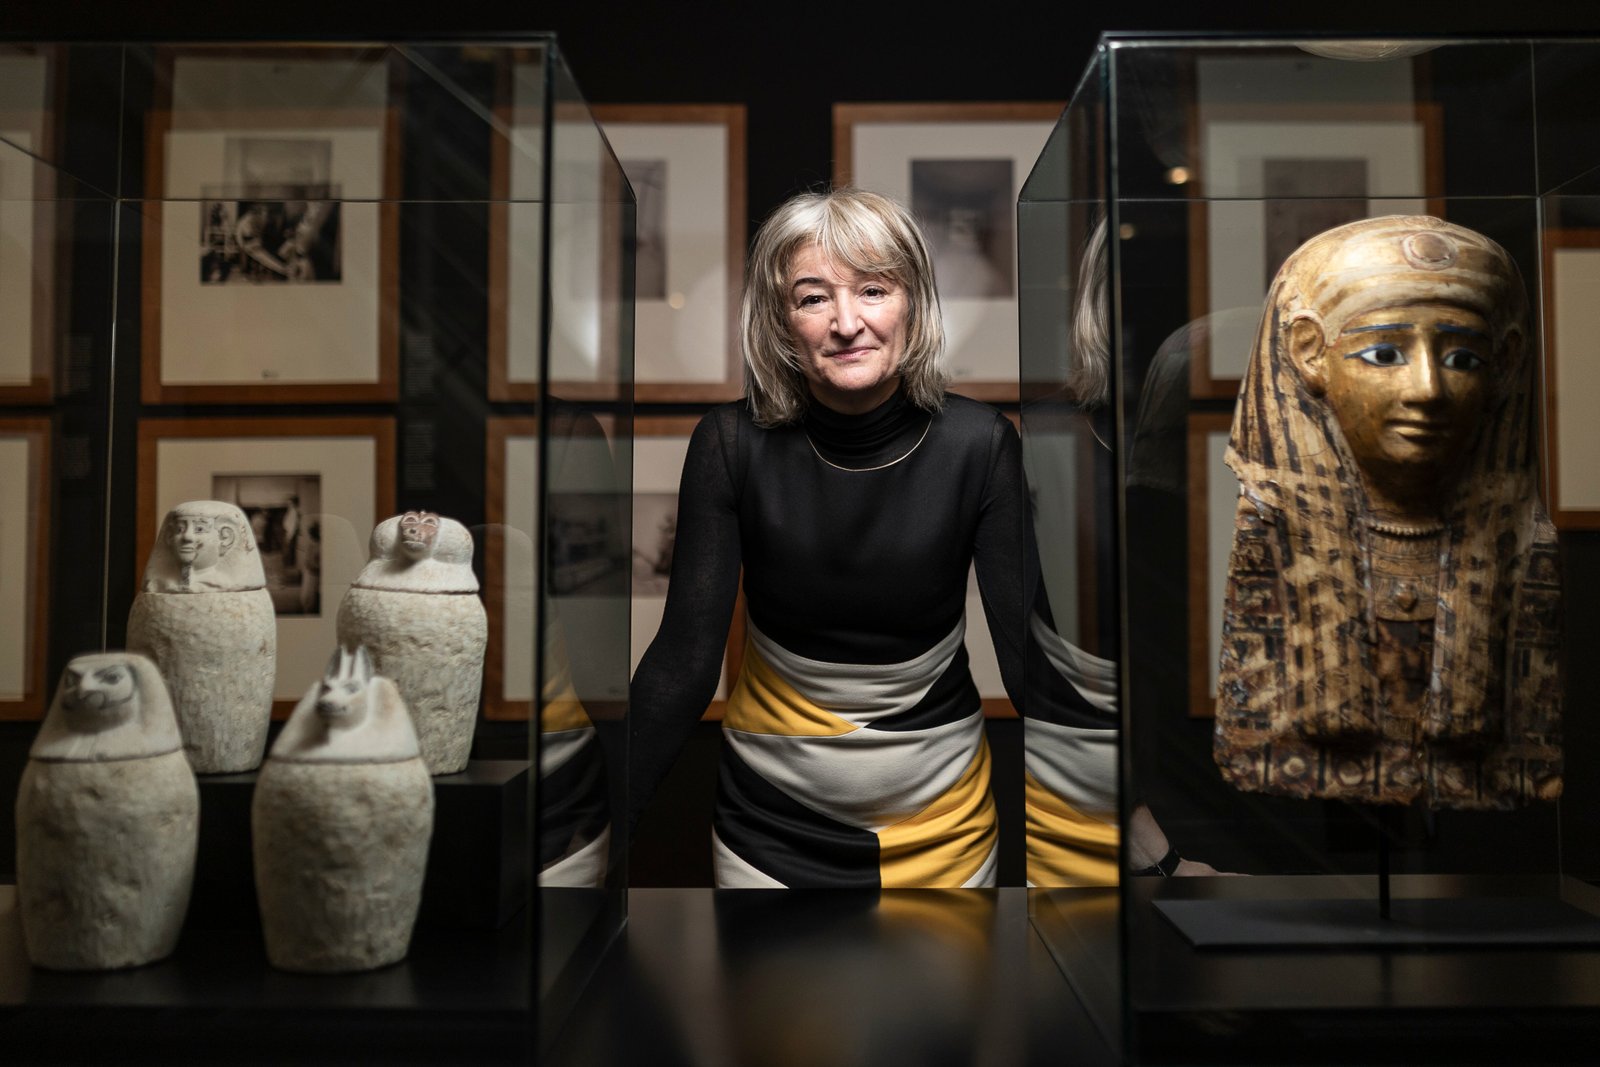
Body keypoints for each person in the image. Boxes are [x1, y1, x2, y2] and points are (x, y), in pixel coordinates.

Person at [631, 188, 1209, 888]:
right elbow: (683, 664)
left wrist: (1149, 843)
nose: (847, 322)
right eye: (812, 298)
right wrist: (594, 828)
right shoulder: (729, 444)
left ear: (913, 303)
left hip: (943, 827)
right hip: (768, 824)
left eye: (873, 290)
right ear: (781, 321)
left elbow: (1033, 670)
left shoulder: (980, 444)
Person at [1213, 215, 1562, 809]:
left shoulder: (1525, 547)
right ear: (1310, 355)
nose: (1427, 390)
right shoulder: (1268, 538)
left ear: (1504, 364)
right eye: (1384, 353)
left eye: (1463, 360)